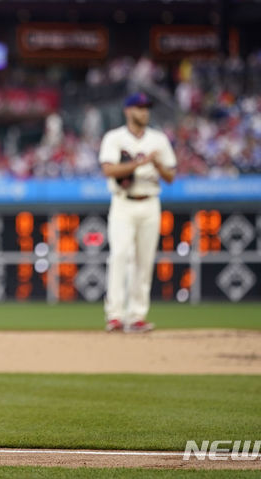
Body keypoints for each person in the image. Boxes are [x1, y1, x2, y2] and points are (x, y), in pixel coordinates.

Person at [98, 92, 176, 333]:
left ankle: (137, 316)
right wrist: (138, 164)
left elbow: (171, 176)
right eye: (139, 108)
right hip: (123, 202)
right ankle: (115, 316)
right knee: (120, 256)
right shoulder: (115, 138)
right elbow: (108, 170)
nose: (144, 112)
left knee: (144, 260)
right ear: (128, 111)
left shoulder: (158, 139)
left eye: (146, 108)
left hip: (150, 201)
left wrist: (157, 164)